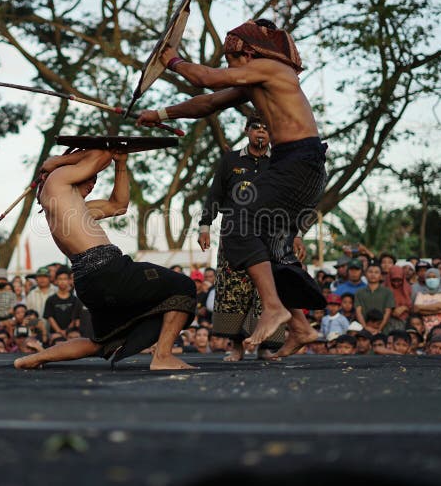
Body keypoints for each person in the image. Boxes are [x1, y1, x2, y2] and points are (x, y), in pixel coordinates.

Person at [137, 18, 327, 349]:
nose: (228, 67)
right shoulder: (257, 81)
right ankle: (300, 326)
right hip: (294, 163)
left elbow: (205, 80)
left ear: (248, 53)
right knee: (267, 248)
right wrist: (160, 114)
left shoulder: (271, 69)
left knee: (239, 224)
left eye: (231, 60)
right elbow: (207, 104)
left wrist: (170, 59)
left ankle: (272, 308)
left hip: (299, 161)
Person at [14, 149, 197, 370]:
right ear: (69, 172)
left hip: (91, 282)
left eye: (95, 179)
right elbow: (101, 155)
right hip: (108, 271)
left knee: (101, 343)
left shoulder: (74, 207)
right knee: (182, 286)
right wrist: (58, 161)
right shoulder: (56, 182)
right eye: (89, 177)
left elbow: (118, 205)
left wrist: (121, 163)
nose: (92, 183)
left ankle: (33, 359)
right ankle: (163, 356)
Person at [198, 117, 286, 361]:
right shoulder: (231, 159)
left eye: (266, 129)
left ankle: (266, 346)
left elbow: (288, 200)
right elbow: (215, 194)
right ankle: (236, 346)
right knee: (233, 288)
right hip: (234, 231)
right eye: (256, 127)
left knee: (267, 289)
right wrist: (205, 226)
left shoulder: (278, 162)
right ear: (246, 130)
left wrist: (294, 234)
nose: (261, 133)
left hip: (269, 231)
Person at [354, 263, 394, 333]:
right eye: (370, 272)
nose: (373, 275)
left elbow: (387, 312)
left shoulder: (387, 292)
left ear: (381, 276)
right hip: (364, 330)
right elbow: (358, 312)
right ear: (365, 275)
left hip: (383, 330)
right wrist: (365, 327)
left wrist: (379, 329)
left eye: (376, 272)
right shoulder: (359, 292)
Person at [413, 268, 441, 333]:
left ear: (439, 278)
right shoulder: (421, 293)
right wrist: (438, 310)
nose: (431, 279)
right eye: (428, 277)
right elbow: (416, 309)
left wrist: (422, 308)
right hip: (425, 331)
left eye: (434, 277)